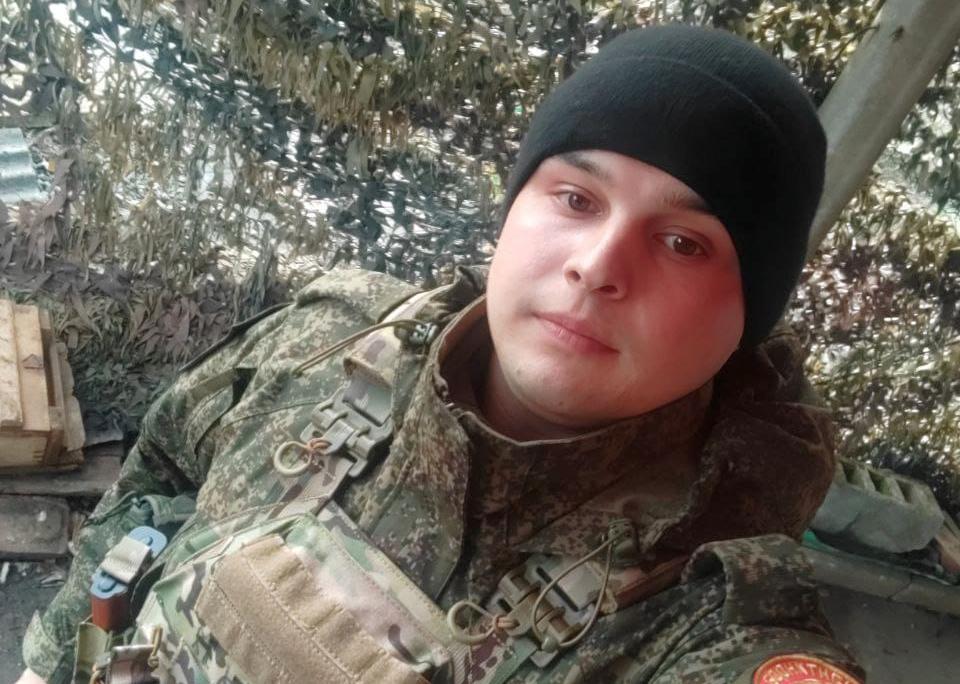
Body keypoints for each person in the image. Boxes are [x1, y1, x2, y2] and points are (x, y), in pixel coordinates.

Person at [19, 24, 865, 684]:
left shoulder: (709, 613)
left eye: (683, 243)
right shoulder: (327, 339)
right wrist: (53, 660)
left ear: (746, 318)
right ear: (515, 207)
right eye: (576, 198)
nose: (598, 265)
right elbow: (162, 473)